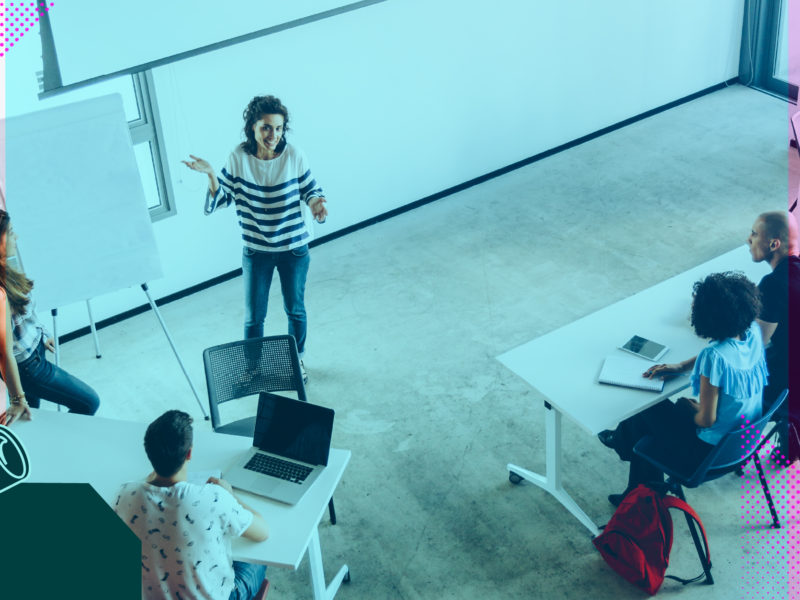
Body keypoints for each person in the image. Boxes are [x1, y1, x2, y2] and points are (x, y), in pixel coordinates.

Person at [183, 95, 327, 383]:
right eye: (266, 128)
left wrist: (317, 203)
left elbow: (311, 189)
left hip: (293, 248)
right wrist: (211, 173)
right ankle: (252, 367)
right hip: (256, 250)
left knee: (295, 310)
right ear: (252, 127)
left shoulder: (294, 155)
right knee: (253, 318)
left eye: (278, 128)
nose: (273, 135)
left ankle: (296, 360)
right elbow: (221, 198)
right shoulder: (238, 157)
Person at [598, 271, 768, 506]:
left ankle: (623, 446)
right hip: (741, 443)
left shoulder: (713, 357)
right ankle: (626, 454)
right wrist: (682, 366)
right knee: (648, 424)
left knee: (645, 408)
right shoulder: (753, 334)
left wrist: (690, 407)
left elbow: (705, 420)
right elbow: (724, 353)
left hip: (705, 454)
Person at [114, 410, 269, 600]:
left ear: (148, 453)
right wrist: (231, 495)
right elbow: (262, 532)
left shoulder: (124, 494)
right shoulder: (215, 498)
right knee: (259, 559)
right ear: (190, 452)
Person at [0, 210, 99, 418]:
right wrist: (18, 399)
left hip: (34, 354)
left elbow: (25, 314)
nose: (16, 237)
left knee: (30, 418)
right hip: (28, 367)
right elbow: (4, 352)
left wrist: (42, 335)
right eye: (10, 232)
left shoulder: (7, 267)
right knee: (89, 402)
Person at [746, 211, 799, 458]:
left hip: (786, 389)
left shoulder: (774, 283)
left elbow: (755, 343)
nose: (749, 240)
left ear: (774, 244)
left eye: (755, 234)